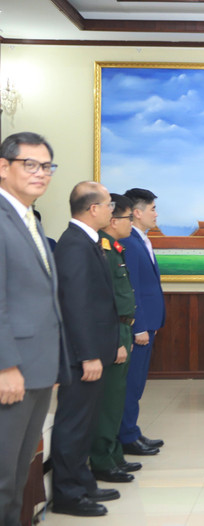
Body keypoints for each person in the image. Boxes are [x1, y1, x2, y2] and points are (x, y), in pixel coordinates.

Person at [0, 132, 70, 526]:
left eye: (47, 166)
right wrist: (5, 365)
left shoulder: (29, 220)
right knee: (3, 479)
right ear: (3, 167)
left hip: (38, 371)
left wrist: (55, 363)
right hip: (12, 372)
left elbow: (43, 299)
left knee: (16, 475)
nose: (41, 173)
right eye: (31, 164)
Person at [51, 181, 120, 517]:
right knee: (73, 423)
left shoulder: (88, 241)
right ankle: (68, 493)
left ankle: (83, 482)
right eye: (108, 204)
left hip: (96, 350)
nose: (112, 210)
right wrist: (88, 354)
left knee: (86, 422)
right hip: (84, 355)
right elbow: (75, 305)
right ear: (93, 209)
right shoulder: (75, 245)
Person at [89, 194, 142, 484]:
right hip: (112, 332)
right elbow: (102, 301)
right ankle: (102, 460)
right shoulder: (102, 250)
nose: (131, 224)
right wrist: (117, 340)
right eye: (127, 219)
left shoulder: (116, 248)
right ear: (113, 221)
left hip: (122, 328)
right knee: (108, 401)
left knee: (117, 398)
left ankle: (114, 455)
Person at [118, 188, 165, 455]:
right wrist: (139, 327)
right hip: (140, 327)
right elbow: (131, 287)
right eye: (152, 209)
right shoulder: (129, 243)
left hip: (149, 322)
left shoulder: (142, 240)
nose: (156, 214)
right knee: (131, 383)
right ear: (137, 213)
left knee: (136, 384)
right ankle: (126, 437)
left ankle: (132, 431)